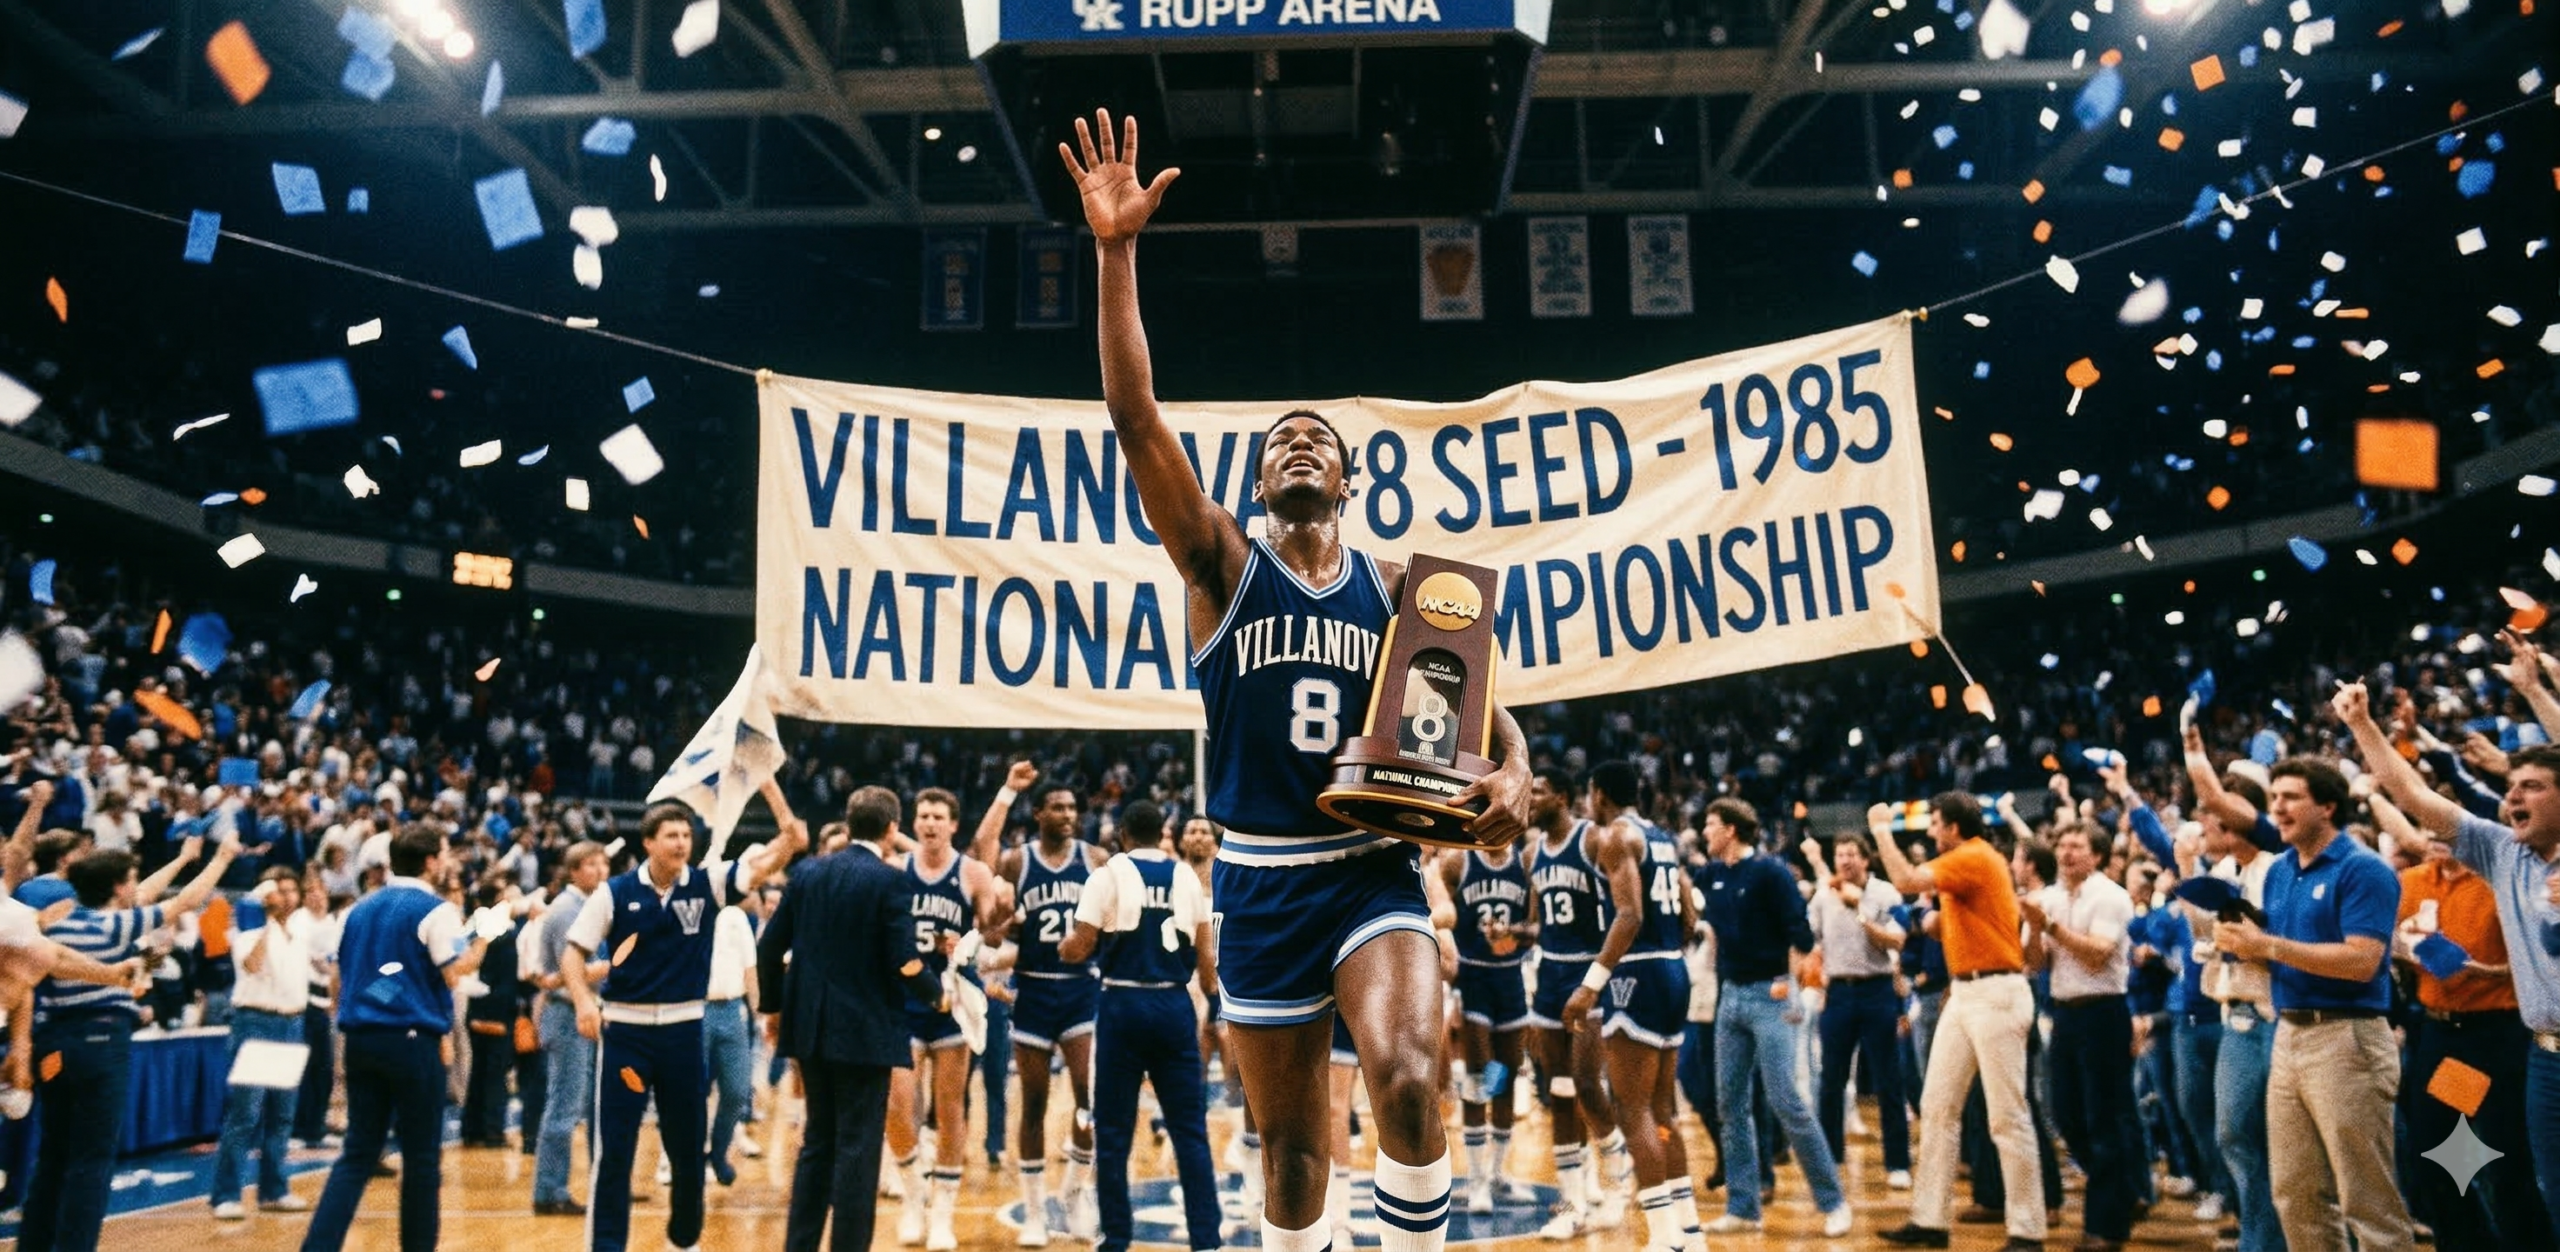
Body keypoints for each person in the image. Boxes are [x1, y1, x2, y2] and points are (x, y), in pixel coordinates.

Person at [1063, 105, 1532, 1252]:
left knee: (1412, 1082)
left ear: (1354, 475)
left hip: (1372, 865)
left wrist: (1516, 776)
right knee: (1291, 1159)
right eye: (1281, 439)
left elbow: (1486, 722)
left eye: (1320, 437)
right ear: (1259, 478)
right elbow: (1133, 417)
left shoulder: (1403, 589)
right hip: (1260, 880)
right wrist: (1117, 252)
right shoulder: (1221, 563)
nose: (1300, 443)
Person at [2339, 673, 2560, 1244]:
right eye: (2510, 786)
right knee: (2501, 1174)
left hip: (2500, 1037)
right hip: (2536, 1054)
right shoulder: (2502, 852)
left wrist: (2538, 688)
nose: (2511, 797)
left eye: (2531, 786)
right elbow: (2411, 795)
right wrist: (2361, 724)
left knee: (2510, 1173)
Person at [559, 796, 805, 1252]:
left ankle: (684, 1241)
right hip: (625, 1035)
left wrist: (789, 837)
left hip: (683, 1032)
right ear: (649, 842)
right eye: (671, 835)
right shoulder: (615, 892)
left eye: (687, 835)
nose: (681, 843)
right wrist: (582, 1003)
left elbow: (763, 865)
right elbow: (572, 952)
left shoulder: (707, 884)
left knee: (689, 1148)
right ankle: (607, 1245)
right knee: (614, 1149)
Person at [2206, 743, 2415, 1252]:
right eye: (2273, 797)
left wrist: (2268, 944)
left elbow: (2363, 960)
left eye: (2291, 797)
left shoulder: (2363, 869)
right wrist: (2245, 938)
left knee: (2369, 1203)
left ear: (2328, 806)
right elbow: (2285, 950)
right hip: (2289, 1034)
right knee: (2295, 1195)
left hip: (2348, 1038)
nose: (2276, 807)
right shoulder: (2280, 870)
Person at [25, 827, 240, 1252]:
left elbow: (144, 894)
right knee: (92, 1160)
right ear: (119, 886)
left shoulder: (58, 922)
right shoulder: (116, 926)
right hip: (100, 1043)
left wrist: (180, 860)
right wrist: (222, 859)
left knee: (52, 1157)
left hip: (52, 1043)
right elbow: (184, 902)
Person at [760, 784, 946, 1252]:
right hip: (864, 1035)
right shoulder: (890, 880)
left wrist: (773, 1008)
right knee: (858, 1150)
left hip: (811, 1030)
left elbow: (768, 949)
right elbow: (904, 961)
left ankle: (799, 1246)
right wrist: (937, 995)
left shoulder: (806, 873)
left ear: (849, 821)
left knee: (817, 1143)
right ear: (891, 829)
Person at [300, 825, 500, 1252]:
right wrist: (485, 933)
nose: (448, 861)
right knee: (422, 1159)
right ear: (430, 861)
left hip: (360, 1039)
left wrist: (356, 1012)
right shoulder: (436, 909)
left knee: (356, 1154)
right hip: (412, 1043)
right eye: (444, 853)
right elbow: (454, 971)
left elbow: (338, 977)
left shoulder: (358, 909)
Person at [1874, 794, 2043, 1252]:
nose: (1930, 831)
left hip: (1996, 992)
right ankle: (1930, 1220)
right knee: (1937, 1106)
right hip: (1969, 991)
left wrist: (1880, 829)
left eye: (1935, 823)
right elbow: (1943, 924)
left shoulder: (1971, 855)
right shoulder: (1972, 865)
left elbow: (1907, 879)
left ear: (1953, 827)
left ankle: (2028, 1231)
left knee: (2007, 1117)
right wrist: (1925, 920)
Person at [1057, 799, 1223, 1252]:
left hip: (1122, 1003)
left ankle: (1117, 1237)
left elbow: (1081, 945)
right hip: (1172, 1003)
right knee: (1190, 1130)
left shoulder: (1106, 875)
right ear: (1161, 833)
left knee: (1112, 1131)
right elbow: (1207, 962)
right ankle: (1205, 1238)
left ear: (1123, 836)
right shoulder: (1186, 876)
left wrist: (1064, 947)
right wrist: (1204, 991)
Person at [1692, 797, 1851, 1237]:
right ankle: (1743, 1207)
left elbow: (1800, 933)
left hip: (1771, 994)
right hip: (1730, 998)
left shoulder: (1770, 872)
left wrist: (1793, 989)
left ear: (1731, 829)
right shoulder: (1713, 875)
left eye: (1710, 824)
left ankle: (1833, 1200)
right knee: (1730, 1105)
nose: (1705, 832)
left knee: (1786, 1100)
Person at [1565, 761, 1703, 1252]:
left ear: (1597, 793)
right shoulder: (1662, 836)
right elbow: (1689, 911)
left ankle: (1665, 1238)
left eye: (1588, 793)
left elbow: (1629, 914)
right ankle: (1689, 1230)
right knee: (1664, 1108)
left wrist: (1591, 984)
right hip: (1672, 966)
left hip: (1638, 971)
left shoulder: (1614, 837)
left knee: (1634, 1108)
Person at [993, 762, 1108, 1247]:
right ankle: (1036, 1211)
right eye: (1057, 806)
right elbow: (996, 921)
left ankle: (1075, 1192)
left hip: (1081, 988)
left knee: (1089, 1100)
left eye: (1072, 808)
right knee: (1034, 1104)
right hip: (1034, 989)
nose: (1067, 814)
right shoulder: (1017, 862)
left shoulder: (1098, 859)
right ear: (1037, 812)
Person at [888, 785, 1002, 1249]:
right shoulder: (895, 871)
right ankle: (914, 1196)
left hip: (952, 1002)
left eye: (939, 816)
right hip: (903, 1000)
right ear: (914, 823)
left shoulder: (972, 872)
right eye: (924, 815)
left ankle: (943, 1215)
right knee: (897, 1105)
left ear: (954, 824)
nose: (930, 823)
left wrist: (968, 945)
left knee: (950, 1108)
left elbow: (992, 935)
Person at [2022, 823, 2140, 1252]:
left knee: (2104, 1118)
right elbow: (2034, 964)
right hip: (2066, 1013)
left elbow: (2097, 954)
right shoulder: (2050, 897)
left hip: (2104, 1011)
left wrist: (2048, 925)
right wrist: (2035, 929)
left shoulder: (2110, 895)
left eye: (2077, 846)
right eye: (2062, 845)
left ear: (2098, 854)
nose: (2067, 853)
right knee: (2065, 1113)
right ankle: (2124, 1191)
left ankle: (2105, 1228)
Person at [1525, 768, 1630, 1238]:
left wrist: (1596, 979)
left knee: (1587, 1083)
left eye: (1538, 792)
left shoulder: (1594, 842)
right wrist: (1512, 933)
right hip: (1549, 974)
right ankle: (1572, 1205)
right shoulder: (1531, 854)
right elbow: (1539, 922)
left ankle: (1621, 1176)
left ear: (1562, 798)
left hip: (1589, 975)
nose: (1528, 799)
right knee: (1558, 1091)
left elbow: (1623, 911)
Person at [1437, 826, 1537, 1214]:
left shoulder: (1525, 865)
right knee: (1479, 1075)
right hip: (1474, 977)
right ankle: (1476, 1180)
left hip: (1510, 976)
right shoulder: (1459, 861)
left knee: (1507, 1076)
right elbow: (1438, 910)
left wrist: (1513, 931)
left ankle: (1497, 1173)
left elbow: (1535, 930)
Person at [1806, 831, 1909, 1189]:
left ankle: (1897, 1163)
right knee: (1830, 1079)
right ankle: (1830, 1158)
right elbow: (1811, 942)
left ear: (1866, 860)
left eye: (1852, 854)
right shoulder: (1822, 895)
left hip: (1877, 989)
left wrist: (1860, 913)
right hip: (1838, 993)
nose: (1845, 860)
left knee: (1888, 1079)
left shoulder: (1886, 894)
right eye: (1840, 854)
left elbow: (1898, 939)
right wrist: (1814, 985)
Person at [211, 866, 315, 1219]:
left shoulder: (301, 932)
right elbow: (253, 965)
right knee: (245, 1114)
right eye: (278, 890)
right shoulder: (246, 931)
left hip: (292, 1023)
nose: (286, 897)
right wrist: (267, 919)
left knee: (282, 1115)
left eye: (290, 890)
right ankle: (226, 1194)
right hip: (256, 1022)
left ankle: (274, 1189)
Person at [531, 840, 611, 1216]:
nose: (601, 871)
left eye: (604, 864)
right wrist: (620, 962)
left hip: (581, 1014)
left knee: (593, 1105)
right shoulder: (568, 910)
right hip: (568, 1015)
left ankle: (603, 1183)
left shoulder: (585, 907)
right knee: (564, 1105)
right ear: (574, 869)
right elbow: (569, 972)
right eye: (592, 864)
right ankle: (550, 1191)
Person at [705, 892, 761, 1186]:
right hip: (694, 1008)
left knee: (737, 1090)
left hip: (732, 1008)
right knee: (690, 1090)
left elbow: (750, 967)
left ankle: (718, 1150)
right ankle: (682, 1157)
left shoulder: (736, 917)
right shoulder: (689, 908)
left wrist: (758, 1013)